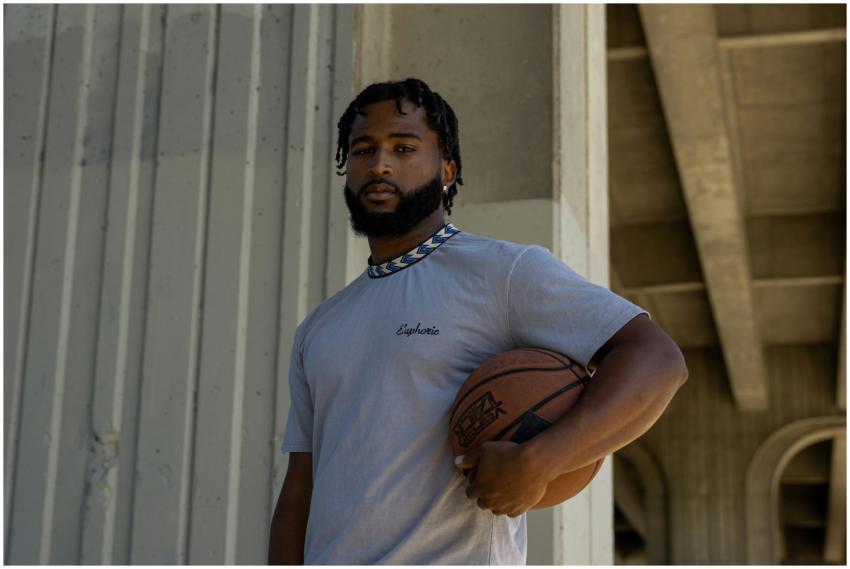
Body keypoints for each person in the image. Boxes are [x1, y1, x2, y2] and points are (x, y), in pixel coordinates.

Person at [268, 78, 687, 565]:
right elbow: (302, 487)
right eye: (363, 150)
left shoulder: (503, 273)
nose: (379, 164)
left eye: (403, 147)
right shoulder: (319, 328)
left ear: (447, 169)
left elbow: (657, 360)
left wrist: (541, 460)